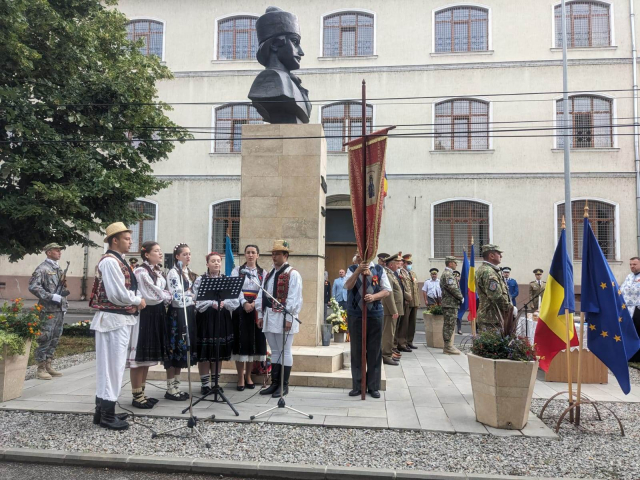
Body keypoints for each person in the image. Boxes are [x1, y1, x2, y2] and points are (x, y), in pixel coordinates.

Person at [89, 222, 145, 430]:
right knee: (112, 367)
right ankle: (107, 414)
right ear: (115, 240)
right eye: (127, 239)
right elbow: (116, 294)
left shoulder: (117, 260)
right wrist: (137, 300)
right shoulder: (110, 262)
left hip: (116, 320)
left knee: (112, 367)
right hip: (113, 320)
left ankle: (103, 410)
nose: (130, 242)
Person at [248, 7, 311, 124]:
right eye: (295, 42)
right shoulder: (270, 79)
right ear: (275, 44)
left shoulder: (293, 82)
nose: (301, 52)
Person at [127, 241, 170, 409]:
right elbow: (152, 294)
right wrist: (168, 295)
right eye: (157, 251)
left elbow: (158, 292)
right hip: (145, 315)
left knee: (146, 358)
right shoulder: (141, 271)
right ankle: (136, 396)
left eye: (160, 250)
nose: (160, 253)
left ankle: (142, 393)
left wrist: (165, 295)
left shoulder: (156, 272)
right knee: (140, 357)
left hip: (155, 313)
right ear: (147, 254)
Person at [344, 251, 391, 398]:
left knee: (374, 350)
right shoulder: (352, 269)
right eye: (357, 253)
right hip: (355, 314)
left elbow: (387, 290)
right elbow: (347, 286)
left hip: (375, 314)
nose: (359, 256)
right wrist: (358, 270)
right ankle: (358, 386)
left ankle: (373, 386)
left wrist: (374, 296)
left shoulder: (379, 269)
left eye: (361, 253)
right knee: (356, 350)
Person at [259, 240, 303, 397]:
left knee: (285, 350)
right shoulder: (269, 274)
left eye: (277, 254)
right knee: (275, 350)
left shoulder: (293, 274)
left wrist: (289, 317)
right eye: (273, 254)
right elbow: (262, 293)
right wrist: (260, 314)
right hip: (269, 315)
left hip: (284, 316)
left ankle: (284, 385)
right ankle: (275, 383)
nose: (274, 256)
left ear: (285, 255)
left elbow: (294, 298)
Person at [226, 245, 267, 391]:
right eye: (248, 252)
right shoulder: (237, 271)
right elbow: (234, 288)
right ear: (244, 254)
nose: (250, 255)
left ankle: (248, 376)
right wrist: (244, 302)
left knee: (252, 343)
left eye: (253, 252)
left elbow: (263, 291)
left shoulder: (262, 273)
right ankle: (240, 377)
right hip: (240, 308)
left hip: (256, 309)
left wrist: (254, 303)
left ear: (258, 255)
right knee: (241, 342)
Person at [193, 252, 234, 395]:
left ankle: (215, 383)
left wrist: (224, 303)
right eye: (213, 261)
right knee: (205, 351)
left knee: (218, 351)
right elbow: (196, 299)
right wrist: (211, 303)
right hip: (205, 317)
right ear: (207, 264)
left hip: (221, 317)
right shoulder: (201, 280)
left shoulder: (226, 280)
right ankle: (205, 385)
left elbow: (233, 299)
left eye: (218, 261)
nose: (216, 263)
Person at [28, 243, 70, 380]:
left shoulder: (58, 269)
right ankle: (40, 368)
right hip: (47, 309)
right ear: (48, 252)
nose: (59, 252)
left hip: (59, 308)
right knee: (45, 337)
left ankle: (48, 364)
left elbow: (62, 288)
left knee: (55, 337)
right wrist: (50, 296)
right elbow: (33, 286)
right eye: (57, 250)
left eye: (60, 250)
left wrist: (64, 304)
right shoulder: (43, 268)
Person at [164, 243, 198, 401]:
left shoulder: (187, 272)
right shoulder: (173, 273)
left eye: (189, 254)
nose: (188, 256)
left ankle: (176, 386)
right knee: (174, 349)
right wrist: (191, 297)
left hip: (187, 312)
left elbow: (193, 293)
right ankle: (170, 388)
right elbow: (177, 298)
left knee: (182, 351)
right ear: (177, 256)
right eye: (185, 254)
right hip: (177, 314)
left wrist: (190, 296)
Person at [475, 244, 511, 332]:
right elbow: (496, 296)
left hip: (491, 317)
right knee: (492, 340)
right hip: (491, 318)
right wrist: (509, 308)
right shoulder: (488, 272)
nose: (501, 256)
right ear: (491, 256)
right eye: (499, 254)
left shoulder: (487, 270)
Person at [381, 253, 403, 366]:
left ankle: (388, 353)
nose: (399, 265)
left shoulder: (391, 274)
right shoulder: (388, 275)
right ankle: (386, 355)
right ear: (391, 265)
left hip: (393, 308)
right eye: (397, 263)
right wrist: (394, 310)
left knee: (391, 332)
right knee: (388, 334)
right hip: (389, 309)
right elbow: (388, 294)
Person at [440, 256, 464, 355]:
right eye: (455, 263)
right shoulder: (448, 274)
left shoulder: (449, 274)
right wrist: (461, 297)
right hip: (450, 304)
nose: (456, 264)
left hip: (450, 303)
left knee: (450, 324)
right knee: (449, 325)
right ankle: (447, 347)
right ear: (450, 263)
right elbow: (452, 288)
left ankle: (448, 345)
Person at [620, 257, 640, 362]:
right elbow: (622, 290)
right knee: (629, 332)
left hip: (638, 309)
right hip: (627, 309)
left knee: (638, 332)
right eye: (631, 264)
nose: (632, 266)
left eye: (634, 264)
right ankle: (631, 356)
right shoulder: (629, 276)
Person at [401, 254, 421, 349]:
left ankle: (409, 341)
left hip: (414, 302)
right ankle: (402, 343)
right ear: (403, 263)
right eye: (408, 263)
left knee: (412, 324)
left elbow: (416, 288)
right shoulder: (401, 273)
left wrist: (418, 301)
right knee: (404, 324)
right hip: (407, 302)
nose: (410, 265)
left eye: (410, 263)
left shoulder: (413, 273)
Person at [453, 270, 463, 334]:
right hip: (452, 302)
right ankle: (452, 329)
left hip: (459, 302)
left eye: (457, 276)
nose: (456, 278)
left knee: (459, 316)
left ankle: (459, 329)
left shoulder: (461, 284)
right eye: (454, 276)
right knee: (452, 316)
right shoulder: (451, 284)